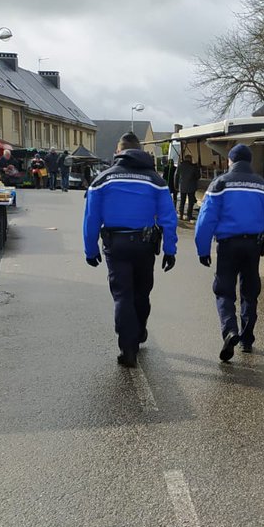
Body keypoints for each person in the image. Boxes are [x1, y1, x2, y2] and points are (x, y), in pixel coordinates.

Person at [83, 132, 178, 368]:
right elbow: (168, 218)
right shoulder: (156, 180)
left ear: (118, 152)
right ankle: (139, 330)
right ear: (141, 151)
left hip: (116, 246)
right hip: (145, 245)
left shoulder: (102, 180)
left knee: (123, 295)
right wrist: (170, 249)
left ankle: (128, 346)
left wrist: (90, 250)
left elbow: (91, 219)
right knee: (142, 293)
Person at [195, 144, 264, 361]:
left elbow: (206, 220)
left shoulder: (219, 184)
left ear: (230, 161)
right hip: (253, 246)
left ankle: (230, 330)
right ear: (249, 162)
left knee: (224, 291)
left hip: (227, 245)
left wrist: (203, 249)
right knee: (250, 292)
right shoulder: (263, 186)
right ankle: (246, 339)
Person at [176, 154, 201, 221]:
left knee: (182, 201)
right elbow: (198, 176)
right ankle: (189, 216)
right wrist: (197, 169)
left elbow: (176, 176)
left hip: (182, 186)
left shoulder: (180, 166)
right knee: (191, 201)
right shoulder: (193, 167)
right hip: (191, 187)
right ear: (190, 159)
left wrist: (176, 186)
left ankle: (181, 215)